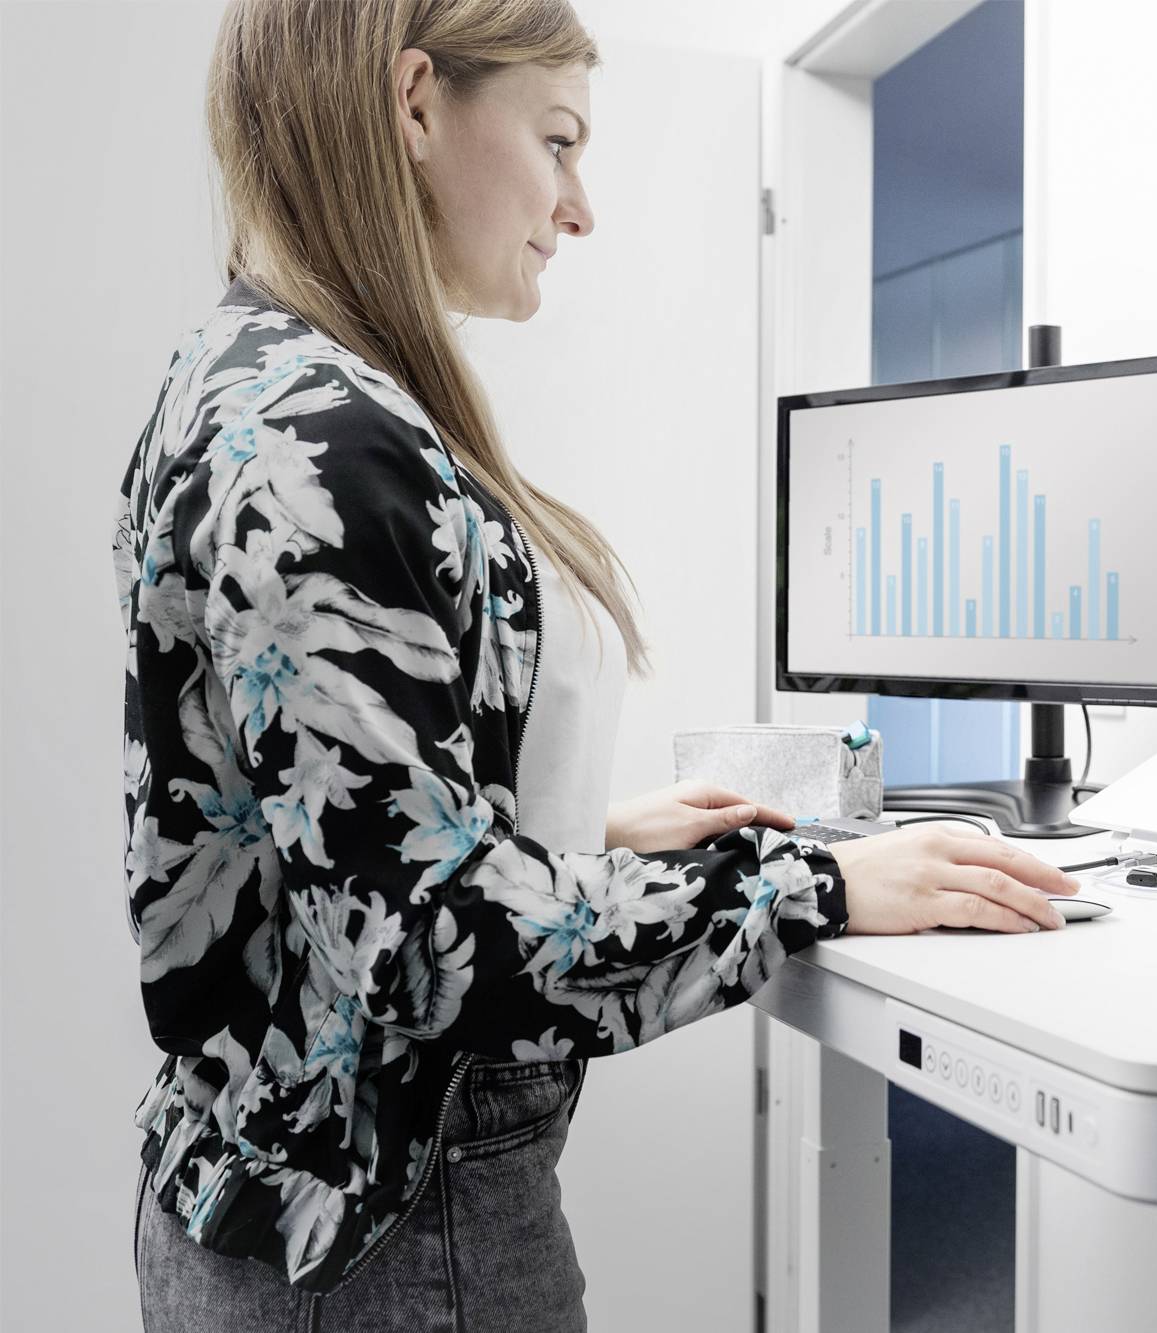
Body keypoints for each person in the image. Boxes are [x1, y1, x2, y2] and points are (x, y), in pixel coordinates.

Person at [115, 2, 1076, 1327]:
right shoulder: (323, 443)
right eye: (557, 141)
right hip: (381, 1241)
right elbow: (423, 951)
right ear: (413, 104)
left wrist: (576, 837)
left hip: (282, 1203)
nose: (579, 209)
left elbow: (325, 840)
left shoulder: (251, 374)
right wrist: (819, 882)